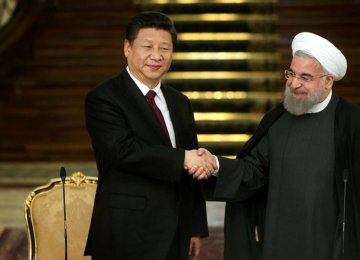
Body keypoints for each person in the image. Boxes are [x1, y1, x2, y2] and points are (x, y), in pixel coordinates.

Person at [196, 32, 360, 260]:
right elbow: (253, 172)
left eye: (305, 77)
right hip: (277, 242)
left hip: (328, 246)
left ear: (328, 80)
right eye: (291, 74)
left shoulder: (351, 123)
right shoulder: (277, 119)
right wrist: (215, 164)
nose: (294, 83)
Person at [84, 11, 216, 260]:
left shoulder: (180, 102)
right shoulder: (104, 97)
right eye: (147, 47)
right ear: (127, 48)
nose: (157, 56)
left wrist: (195, 227)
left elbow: (191, 172)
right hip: (126, 230)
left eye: (165, 48)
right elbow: (122, 151)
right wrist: (183, 159)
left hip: (176, 229)